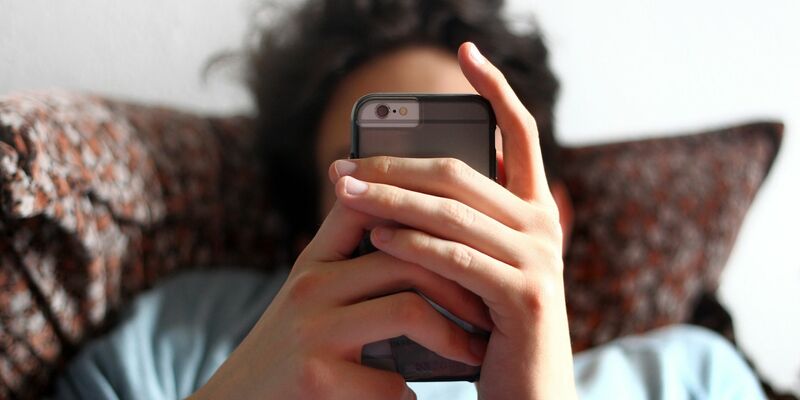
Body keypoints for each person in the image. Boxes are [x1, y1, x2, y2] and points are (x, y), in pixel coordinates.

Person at [53, 1, 766, 399]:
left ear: (554, 215)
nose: (428, 210)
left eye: (464, 173)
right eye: (375, 180)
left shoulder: (690, 380)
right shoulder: (172, 348)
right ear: (311, 234)